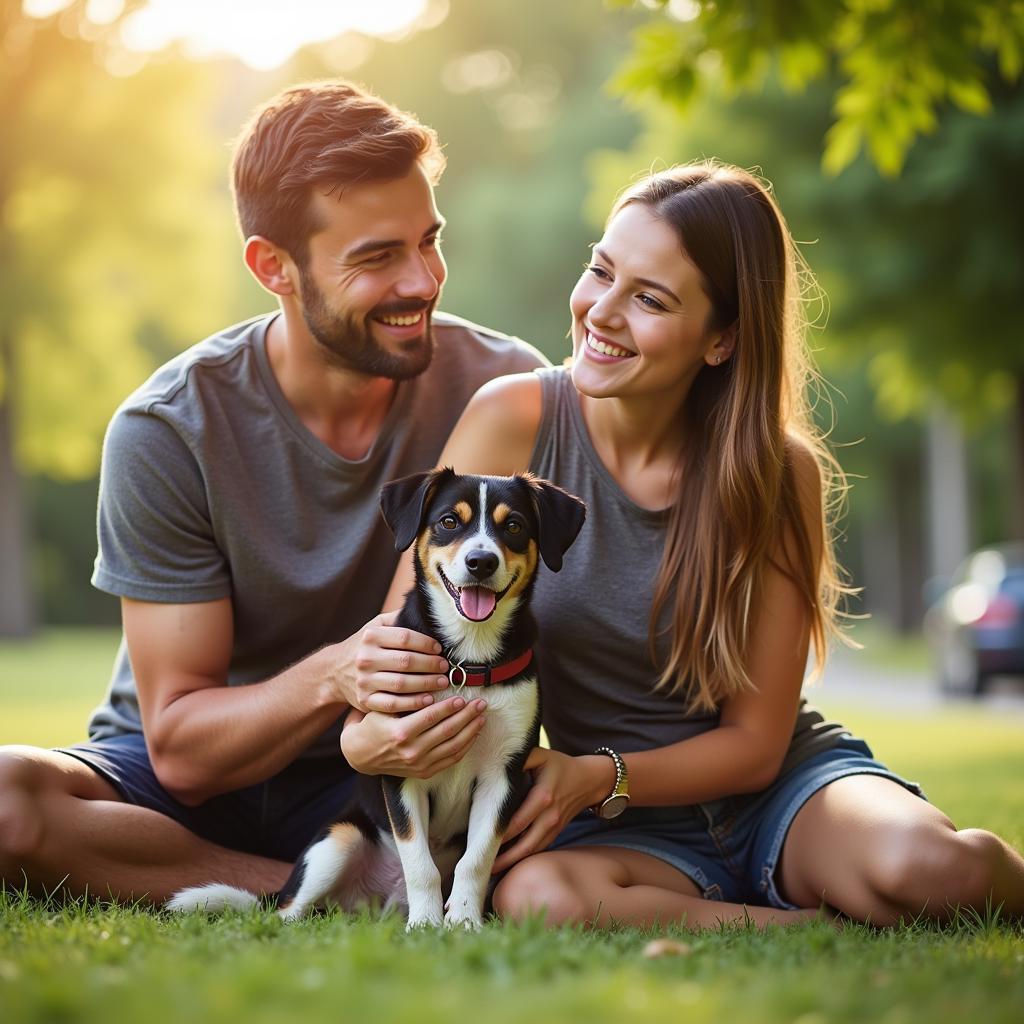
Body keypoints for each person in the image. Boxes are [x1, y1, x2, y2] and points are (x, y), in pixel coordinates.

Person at [349, 161, 1024, 928]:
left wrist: (598, 775)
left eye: (649, 299)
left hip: (782, 795)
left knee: (929, 870)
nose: (602, 312)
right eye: (600, 270)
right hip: (617, 830)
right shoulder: (513, 421)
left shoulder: (775, 470)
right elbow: (403, 651)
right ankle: (803, 921)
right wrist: (373, 737)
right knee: (539, 900)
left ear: (722, 338)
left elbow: (757, 745)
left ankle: (832, 880)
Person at [0, 80, 546, 903]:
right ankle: (340, 887)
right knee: (7, 801)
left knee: (551, 855)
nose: (423, 280)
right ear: (273, 267)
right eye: (376, 257)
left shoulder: (506, 389)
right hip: (192, 790)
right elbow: (181, 748)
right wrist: (335, 674)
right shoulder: (169, 428)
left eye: (428, 241)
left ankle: (370, 872)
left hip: (400, 774)